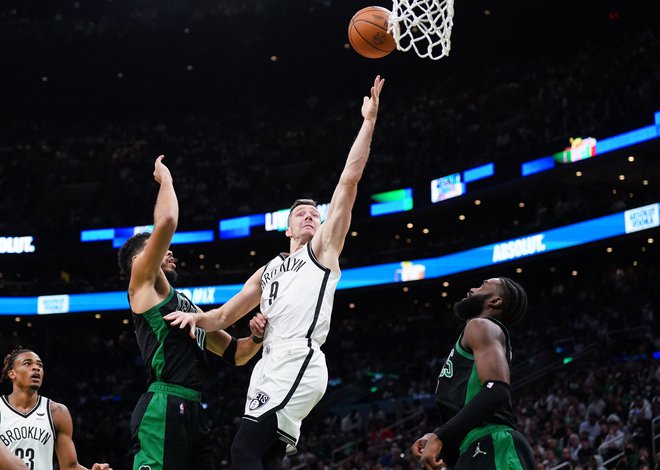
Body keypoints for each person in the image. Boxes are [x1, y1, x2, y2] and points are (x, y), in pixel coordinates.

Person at [165, 75, 385, 469]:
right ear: (286, 227)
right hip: (266, 365)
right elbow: (223, 316)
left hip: (298, 358)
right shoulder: (269, 270)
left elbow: (348, 182)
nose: (310, 218)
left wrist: (368, 122)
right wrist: (193, 318)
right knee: (263, 458)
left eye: (315, 215)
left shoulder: (323, 250)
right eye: (301, 214)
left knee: (243, 450)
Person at [117, 155, 267, 470]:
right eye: (158, 247)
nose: (170, 250)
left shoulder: (187, 307)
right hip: (163, 405)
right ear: (140, 260)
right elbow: (168, 222)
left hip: (196, 409)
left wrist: (255, 337)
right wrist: (167, 181)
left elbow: (236, 354)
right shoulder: (142, 285)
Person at [411, 277, 535, 469]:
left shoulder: (481, 326)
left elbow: (497, 391)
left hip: (494, 443)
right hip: (474, 448)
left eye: (482, 286)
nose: (471, 288)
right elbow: (468, 408)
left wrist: (440, 436)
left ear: (495, 301)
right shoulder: (475, 336)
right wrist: (439, 438)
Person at [0, 348, 112, 470]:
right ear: (12, 374)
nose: (36, 368)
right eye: (27, 363)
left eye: (40, 365)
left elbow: (70, 467)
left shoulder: (57, 412)